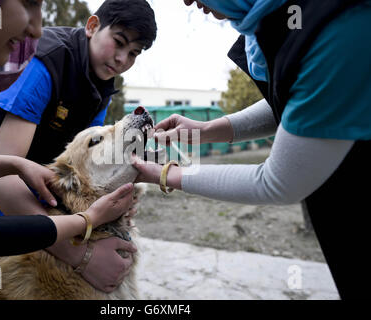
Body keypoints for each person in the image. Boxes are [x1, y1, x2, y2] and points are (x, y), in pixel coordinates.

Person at [133, 0, 371, 299]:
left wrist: (167, 175)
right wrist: (206, 131)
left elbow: (279, 183)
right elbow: (294, 100)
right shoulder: (282, 22)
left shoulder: (336, 27)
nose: (187, 1)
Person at [0, 0, 134, 290]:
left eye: (134, 53)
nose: (36, 29)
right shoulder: (45, 62)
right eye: (29, 3)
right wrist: (82, 241)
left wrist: (16, 164)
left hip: (22, 221)